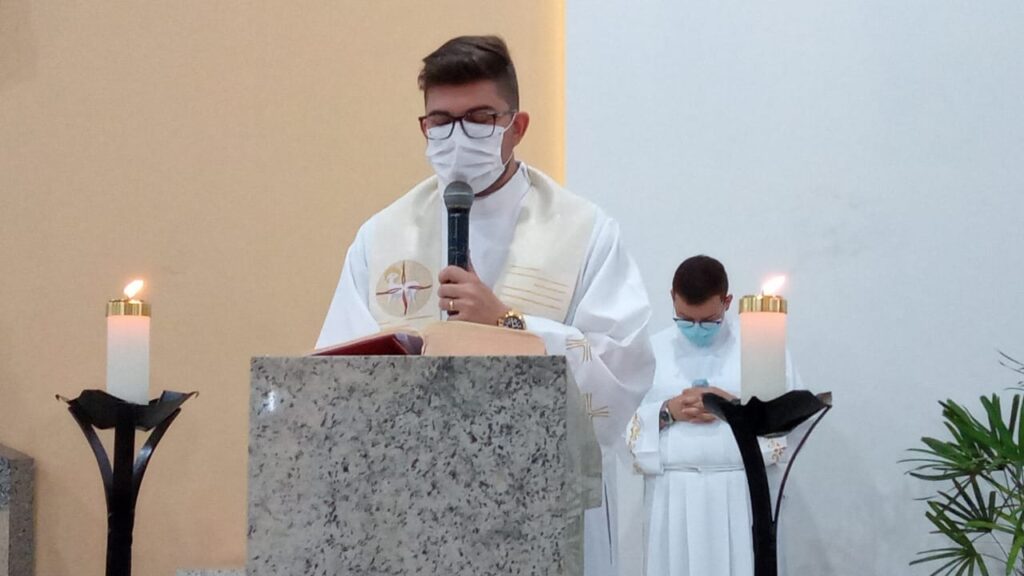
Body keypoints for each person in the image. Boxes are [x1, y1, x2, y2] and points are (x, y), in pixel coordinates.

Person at [316, 35, 655, 576]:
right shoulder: (381, 236)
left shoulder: (585, 231)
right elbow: (337, 376)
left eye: (478, 119)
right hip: (413, 503)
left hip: (543, 502)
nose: (457, 137)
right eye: (441, 122)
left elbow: (622, 369)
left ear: (517, 127)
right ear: (423, 128)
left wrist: (505, 323)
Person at [627, 255, 797, 576]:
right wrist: (668, 411)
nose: (696, 329)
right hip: (673, 495)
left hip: (740, 492)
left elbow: (788, 420)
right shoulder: (651, 352)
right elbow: (623, 424)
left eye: (708, 321)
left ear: (727, 302)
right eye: (685, 320)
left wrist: (731, 407)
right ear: (672, 298)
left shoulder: (760, 347)